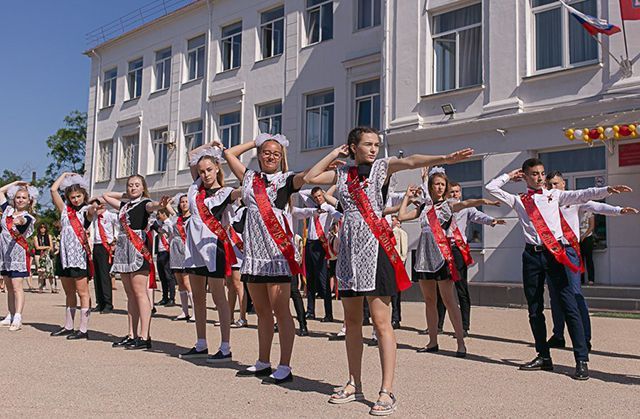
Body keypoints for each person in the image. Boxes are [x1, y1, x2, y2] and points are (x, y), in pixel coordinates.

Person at [304, 126, 473, 415]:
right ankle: (354, 382)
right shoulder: (343, 174)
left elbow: (411, 161)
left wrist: (446, 156)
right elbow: (309, 178)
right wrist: (335, 153)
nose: (373, 149)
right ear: (353, 147)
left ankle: (386, 390)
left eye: (376, 144)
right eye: (367, 144)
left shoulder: (383, 167)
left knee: (381, 323)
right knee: (353, 322)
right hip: (348, 254)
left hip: (376, 250)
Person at [485, 158, 633, 380]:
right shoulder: (519, 200)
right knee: (535, 308)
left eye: (541, 173)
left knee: (569, 304)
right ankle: (543, 357)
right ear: (524, 176)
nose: (539, 177)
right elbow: (491, 188)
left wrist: (607, 189)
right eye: (534, 174)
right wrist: (508, 175)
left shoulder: (555, 195)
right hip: (531, 257)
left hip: (554, 254)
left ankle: (581, 359)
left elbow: (584, 195)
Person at [224, 133, 308, 385]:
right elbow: (229, 154)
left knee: (281, 310)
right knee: (261, 311)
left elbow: (307, 176)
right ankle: (263, 361)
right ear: (259, 155)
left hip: (276, 253)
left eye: (276, 153)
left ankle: (284, 365)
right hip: (254, 253)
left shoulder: (286, 179)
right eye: (266, 152)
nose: (270, 156)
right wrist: (257, 141)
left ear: (281, 158)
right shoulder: (249, 178)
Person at [399, 168, 490, 357]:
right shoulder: (424, 207)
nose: (440, 187)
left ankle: (460, 343)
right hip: (424, 256)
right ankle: (432, 341)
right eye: (436, 184)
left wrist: (481, 201)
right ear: (431, 187)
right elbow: (401, 216)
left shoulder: (448, 205)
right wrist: (407, 197)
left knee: (449, 300)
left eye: (442, 184)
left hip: (441, 255)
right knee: (429, 301)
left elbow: (465, 203)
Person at [545, 171, 638, 350]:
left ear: (563, 184)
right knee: (555, 295)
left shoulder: (572, 199)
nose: (552, 188)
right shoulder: (546, 202)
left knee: (575, 293)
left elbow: (597, 206)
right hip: (551, 251)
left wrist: (618, 210)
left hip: (569, 249)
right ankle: (558, 335)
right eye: (549, 185)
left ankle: (585, 338)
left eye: (555, 184)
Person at [179, 143, 239, 363]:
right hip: (194, 249)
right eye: (202, 171)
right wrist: (209, 146)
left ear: (217, 168)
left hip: (214, 249)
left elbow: (240, 193)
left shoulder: (225, 192)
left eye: (209, 170)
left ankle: (225, 346)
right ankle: (201, 342)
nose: (204, 174)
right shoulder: (195, 190)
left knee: (218, 297)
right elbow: (190, 155)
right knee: (197, 297)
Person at [103, 175, 169, 350]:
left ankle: (144, 335)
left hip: (138, 248)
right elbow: (106, 196)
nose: (133, 188)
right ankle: (132, 334)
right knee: (130, 294)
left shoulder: (144, 203)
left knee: (140, 293)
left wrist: (160, 205)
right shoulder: (125, 205)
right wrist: (125, 193)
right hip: (124, 249)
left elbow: (153, 206)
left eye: (137, 185)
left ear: (143, 187)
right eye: (130, 185)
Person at [436, 181, 505, 334]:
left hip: (458, 250)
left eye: (457, 192)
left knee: (461, 289)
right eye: (452, 192)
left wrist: (492, 221)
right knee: (442, 289)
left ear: (461, 193)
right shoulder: (440, 209)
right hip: (442, 249)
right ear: (446, 194)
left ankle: (464, 326)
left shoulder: (466, 209)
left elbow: (478, 216)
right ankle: (437, 325)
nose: (454, 195)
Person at [49, 173, 93, 340]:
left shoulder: (84, 211)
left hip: (79, 257)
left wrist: (94, 207)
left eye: (78, 196)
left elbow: (92, 210)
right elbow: (53, 190)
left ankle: (83, 328)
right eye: (72, 197)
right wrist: (65, 175)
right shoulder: (64, 211)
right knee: (68, 292)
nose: (75, 199)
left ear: (84, 195)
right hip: (64, 256)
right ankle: (68, 326)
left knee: (83, 292)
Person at [296, 187, 342, 322]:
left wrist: (325, 194)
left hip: (320, 245)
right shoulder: (312, 206)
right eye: (315, 197)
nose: (318, 198)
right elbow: (301, 193)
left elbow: (337, 215)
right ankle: (310, 311)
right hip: (309, 244)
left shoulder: (328, 208)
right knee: (310, 279)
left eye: (319, 196)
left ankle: (328, 314)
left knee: (323, 280)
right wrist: (314, 193)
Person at [0, 181, 38, 331]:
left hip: (17, 254)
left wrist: (18, 220)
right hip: (4, 254)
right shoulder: (7, 210)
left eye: (23, 197)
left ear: (29, 201)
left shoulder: (28, 217)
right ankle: (9, 315)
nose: (20, 200)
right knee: (9, 287)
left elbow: (22, 222)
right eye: (18, 197)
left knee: (17, 287)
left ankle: (18, 317)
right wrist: (16, 183)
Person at [164, 193, 194, 322]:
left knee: (188, 282)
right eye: (182, 201)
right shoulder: (177, 218)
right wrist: (172, 199)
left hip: (187, 249)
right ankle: (184, 311)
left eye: (186, 201)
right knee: (180, 282)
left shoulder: (193, 218)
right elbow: (167, 205)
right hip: (176, 249)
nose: (184, 203)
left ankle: (195, 312)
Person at [86, 198, 117, 313]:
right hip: (95, 245)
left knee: (104, 275)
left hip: (105, 245)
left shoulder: (110, 216)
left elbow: (119, 226)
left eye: (97, 207)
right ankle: (100, 302)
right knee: (97, 276)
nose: (95, 209)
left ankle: (108, 303)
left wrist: (115, 239)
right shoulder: (93, 217)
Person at [227, 203, 248, 328]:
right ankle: (229, 317)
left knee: (238, 285)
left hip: (238, 252)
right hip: (229, 252)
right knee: (230, 286)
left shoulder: (245, 210)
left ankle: (243, 317)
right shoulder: (232, 210)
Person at [151, 208, 176, 306]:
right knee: (162, 276)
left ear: (164, 214)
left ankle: (172, 298)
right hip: (160, 251)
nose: (157, 215)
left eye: (159, 213)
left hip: (167, 251)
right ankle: (164, 297)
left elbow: (164, 231)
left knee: (169, 276)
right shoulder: (159, 223)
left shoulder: (169, 223)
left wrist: (158, 227)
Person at [390, 215, 407, 330]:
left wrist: (401, 261)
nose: (391, 221)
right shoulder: (387, 231)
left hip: (397, 263)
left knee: (396, 293)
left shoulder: (401, 232)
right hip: (388, 263)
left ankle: (396, 318)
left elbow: (404, 250)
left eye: (393, 219)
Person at [34, 223, 56, 293]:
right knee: (41, 272)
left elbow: (51, 246)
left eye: (44, 227)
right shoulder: (36, 237)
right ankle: (40, 287)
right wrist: (47, 247)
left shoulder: (49, 236)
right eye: (41, 227)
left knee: (50, 272)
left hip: (47, 255)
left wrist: (49, 249)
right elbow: (37, 247)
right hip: (38, 255)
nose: (42, 229)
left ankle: (53, 288)